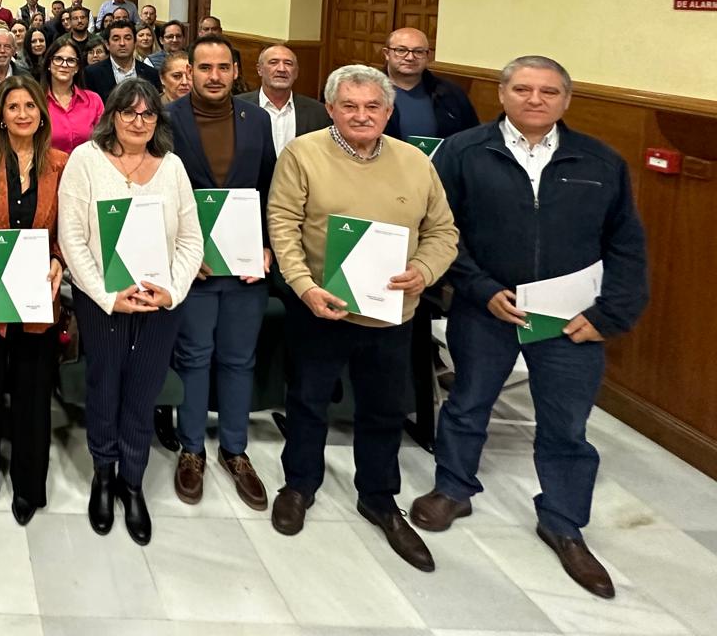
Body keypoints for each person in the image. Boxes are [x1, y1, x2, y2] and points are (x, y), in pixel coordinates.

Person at [409, 56, 649, 599]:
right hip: (488, 304)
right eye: (522, 89)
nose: (534, 99)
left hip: (570, 318)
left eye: (548, 91)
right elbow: (441, 230)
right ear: (503, 94)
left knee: (566, 422)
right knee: (468, 403)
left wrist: (610, 316)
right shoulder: (465, 151)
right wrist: (479, 288)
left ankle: (564, 521)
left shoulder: (601, 161)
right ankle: (453, 487)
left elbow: (627, 245)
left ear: (566, 100)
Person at [267, 64, 459, 572]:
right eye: (349, 106)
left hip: (393, 315)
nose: (361, 115)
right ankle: (299, 485)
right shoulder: (303, 154)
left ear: (388, 111)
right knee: (308, 402)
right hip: (320, 309)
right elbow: (282, 224)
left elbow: (443, 231)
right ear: (331, 109)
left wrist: (424, 269)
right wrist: (304, 288)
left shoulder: (416, 162)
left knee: (383, 410)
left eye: (373, 106)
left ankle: (378, 496)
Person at [59, 79, 203, 545]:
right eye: (129, 113)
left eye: (147, 115)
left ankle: (133, 481)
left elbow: (190, 239)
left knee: (143, 389)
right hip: (104, 301)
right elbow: (73, 238)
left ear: (157, 121)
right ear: (112, 116)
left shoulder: (173, 167)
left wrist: (172, 290)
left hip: (159, 303)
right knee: (105, 385)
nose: (138, 122)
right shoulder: (86, 161)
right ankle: (104, 473)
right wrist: (106, 295)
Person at [161, 37, 277, 510]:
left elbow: (270, 187)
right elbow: (158, 190)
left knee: (238, 359)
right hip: (194, 266)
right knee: (194, 356)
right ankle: (191, 450)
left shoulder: (259, 120)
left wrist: (268, 246)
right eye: (203, 67)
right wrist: (178, 251)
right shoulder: (167, 119)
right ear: (189, 71)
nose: (212, 75)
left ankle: (235, 449)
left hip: (247, 264)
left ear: (235, 71)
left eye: (222, 67)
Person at [0, 76, 68, 526]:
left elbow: (68, 230)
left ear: (42, 114)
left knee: (32, 395)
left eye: (30, 106)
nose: (22, 114)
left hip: (39, 296)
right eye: (13, 107)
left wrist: (60, 262)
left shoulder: (61, 163)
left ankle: (28, 485)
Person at [380, 27, 479, 141]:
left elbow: (472, 136)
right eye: (401, 50)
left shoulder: (451, 93)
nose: (410, 57)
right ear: (387, 53)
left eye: (418, 51)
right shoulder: (368, 91)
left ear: (428, 56)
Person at [237, 44, 327, 156]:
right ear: (259, 70)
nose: (282, 69)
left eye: (288, 64)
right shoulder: (237, 107)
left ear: (296, 72)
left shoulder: (318, 112)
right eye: (273, 62)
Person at [43, 34, 103, 155]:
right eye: (58, 59)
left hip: (87, 169)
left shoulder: (93, 100)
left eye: (71, 60)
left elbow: (104, 141)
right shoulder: (37, 101)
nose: (64, 65)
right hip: (49, 171)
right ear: (49, 64)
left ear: (77, 68)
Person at [85, 18, 161, 101]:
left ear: (135, 43)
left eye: (127, 38)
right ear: (107, 45)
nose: (122, 43)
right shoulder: (92, 73)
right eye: (116, 39)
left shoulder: (151, 73)